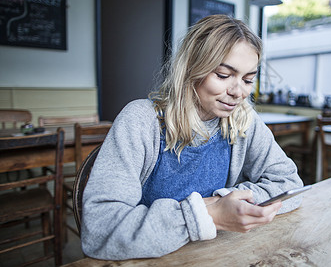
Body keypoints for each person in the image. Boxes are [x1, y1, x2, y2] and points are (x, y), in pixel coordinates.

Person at [81, 14, 304, 260]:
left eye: (248, 79)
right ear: (191, 69)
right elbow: (100, 232)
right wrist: (209, 214)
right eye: (223, 75)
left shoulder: (242, 119)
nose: (238, 92)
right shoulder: (141, 120)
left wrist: (228, 202)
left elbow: (290, 184)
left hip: (215, 255)